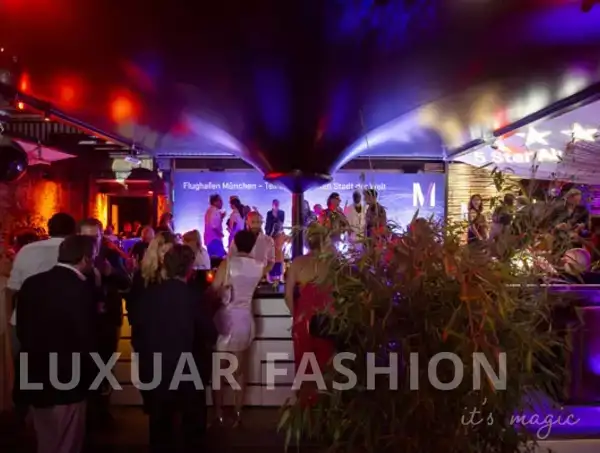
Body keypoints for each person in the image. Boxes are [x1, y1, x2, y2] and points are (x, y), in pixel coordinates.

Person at [17, 235, 98, 453]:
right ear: (86, 259)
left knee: (45, 439)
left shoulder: (32, 283)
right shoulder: (82, 289)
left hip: (34, 373)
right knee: (68, 442)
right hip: (69, 377)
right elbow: (86, 337)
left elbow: (21, 329)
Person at [133, 244, 217, 453]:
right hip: (188, 369)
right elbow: (210, 333)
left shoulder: (149, 294)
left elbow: (138, 333)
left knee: (159, 429)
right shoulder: (194, 296)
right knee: (192, 432)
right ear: (189, 268)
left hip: (155, 367)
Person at [6, 213, 77, 423]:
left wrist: (11, 317)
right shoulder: (73, 250)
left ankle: (24, 412)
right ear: (73, 230)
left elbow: (12, 289)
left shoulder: (27, 251)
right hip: (62, 322)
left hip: (25, 320)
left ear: (49, 228)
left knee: (27, 366)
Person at [78, 218, 131, 424]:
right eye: (87, 237)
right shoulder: (73, 256)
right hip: (84, 318)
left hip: (108, 319)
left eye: (95, 237)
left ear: (102, 237)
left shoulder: (110, 255)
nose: (91, 241)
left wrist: (112, 273)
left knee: (106, 363)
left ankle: (102, 410)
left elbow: (126, 282)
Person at [212, 230, 264, 427]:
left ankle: (219, 413)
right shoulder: (258, 266)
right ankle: (238, 412)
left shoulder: (227, 263)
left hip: (227, 319)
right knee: (240, 371)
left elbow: (214, 289)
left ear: (234, 242)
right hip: (245, 319)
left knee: (219, 370)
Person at [285, 223, 335, 406]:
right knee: (325, 367)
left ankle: (304, 410)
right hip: (327, 319)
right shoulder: (331, 263)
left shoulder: (297, 263)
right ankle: (323, 411)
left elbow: (288, 296)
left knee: (304, 369)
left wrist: (296, 316)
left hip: (302, 320)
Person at [229, 211, 275, 276]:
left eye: (258, 222)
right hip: (241, 276)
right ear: (247, 222)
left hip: (261, 277)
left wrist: (260, 275)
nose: (255, 225)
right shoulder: (239, 238)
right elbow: (231, 257)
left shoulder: (268, 240)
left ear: (261, 223)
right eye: (253, 222)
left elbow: (271, 261)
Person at [204, 194, 226, 259]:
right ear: (214, 202)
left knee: (213, 260)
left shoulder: (209, 210)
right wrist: (220, 234)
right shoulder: (215, 211)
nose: (222, 203)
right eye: (220, 201)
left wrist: (221, 217)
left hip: (209, 240)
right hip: (215, 239)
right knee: (219, 260)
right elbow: (214, 226)